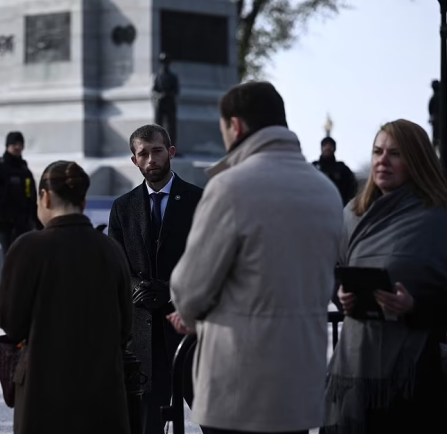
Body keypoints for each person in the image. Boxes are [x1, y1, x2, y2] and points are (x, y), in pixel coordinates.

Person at [168, 81, 344, 434]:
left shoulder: (230, 187)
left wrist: (189, 315)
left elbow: (190, 288)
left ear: (236, 126)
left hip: (240, 383)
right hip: (300, 380)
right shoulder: (325, 190)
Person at [321, 119, 447, 434]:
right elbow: (337, 272)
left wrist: (414, 307)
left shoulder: (438, 217)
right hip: (353, 368)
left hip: (415, 375)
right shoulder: (352, 214)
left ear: (416, 159)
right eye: (377, 151)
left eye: (395, 153)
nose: (382, 160)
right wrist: (344, 297)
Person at [0, 161, 132, 434]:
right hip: (103, 398)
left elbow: (11, 323)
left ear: (44, 197)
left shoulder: (27, 248)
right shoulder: (111, 249)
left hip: (42, 396)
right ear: (83, 201)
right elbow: (125, 327)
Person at [108, 124, 203, 434]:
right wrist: (140, 290)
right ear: (134, 160)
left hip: (190, 331)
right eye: (143, 154)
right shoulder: (123, 208)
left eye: (157, 151)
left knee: (214, 419)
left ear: (171, 152)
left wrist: (172, 292)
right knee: (149, 426)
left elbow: (208, 260)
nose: (151, 159)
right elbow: (117, 266)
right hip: (144, 335)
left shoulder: (199, 200)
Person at [0, 131, 42, 256]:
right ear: (7, 146)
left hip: (23, 224)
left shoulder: (25, 171)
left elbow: (31, 197)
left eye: (20, 144)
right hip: (4, 226)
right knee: (9, 257)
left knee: (22, 258)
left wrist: (35, 222)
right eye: (14, 144)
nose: (17, 147)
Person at [312, 136, 358, 206]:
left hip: (338, 206)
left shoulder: (342, 168)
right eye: (325, 145)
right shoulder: (314, 167)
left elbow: (352, 186)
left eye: (330, 146)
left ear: (334, 148)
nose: (327, 148)